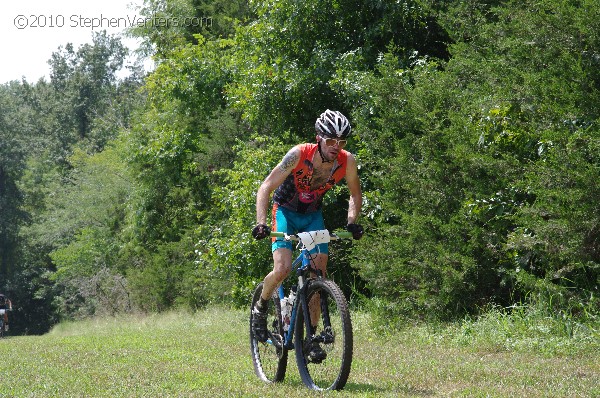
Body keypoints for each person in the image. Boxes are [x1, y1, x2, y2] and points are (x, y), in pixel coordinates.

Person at [251, 109, 364, 362]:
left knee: (318, 274)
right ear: (319, 138)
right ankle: (260, 307)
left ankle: (309, 338)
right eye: (331, 140)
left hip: (313, 215)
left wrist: (351, 222)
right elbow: (266, 186)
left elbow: (355, 194)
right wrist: (260, 223)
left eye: (342, 141)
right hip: (285, 212)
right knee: (282, 269)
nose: (337, 146)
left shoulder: (347, 161)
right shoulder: (299, 154)